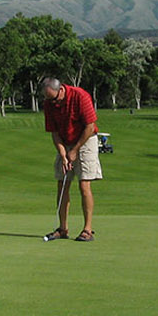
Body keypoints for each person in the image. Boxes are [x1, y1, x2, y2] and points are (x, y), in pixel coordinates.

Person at [40, 77, 102, 242]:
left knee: (84, 184)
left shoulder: (80, 96)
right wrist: (63, 154)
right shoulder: (49, 103)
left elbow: (90, 126)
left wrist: (74, 151)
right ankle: (63, 228)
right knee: (62, 183)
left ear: (61, 90)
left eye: (54, 99)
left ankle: (87, 230)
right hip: (65, 141)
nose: (52, 103)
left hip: (86, 139)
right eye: (48, 99)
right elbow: (54, 132)